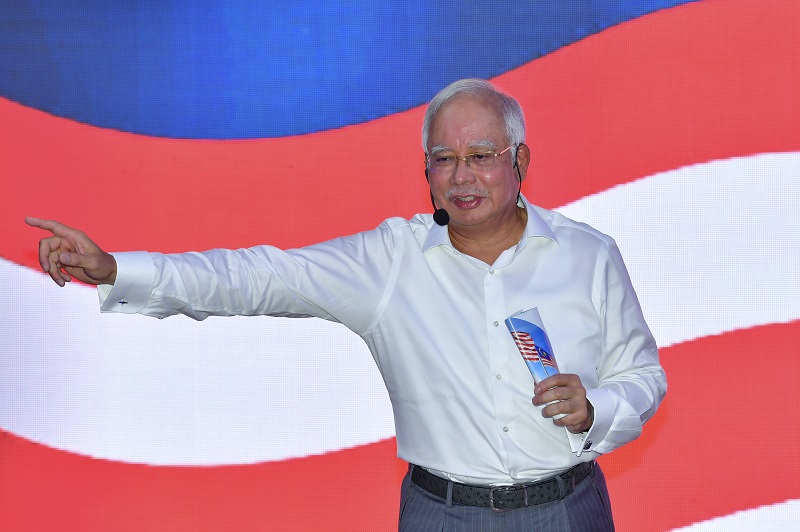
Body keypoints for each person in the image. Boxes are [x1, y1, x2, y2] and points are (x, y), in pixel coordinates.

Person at [27, 78, 666, 531]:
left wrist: (596, 409)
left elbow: (645, 379)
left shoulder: (589, 255)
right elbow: (257, 277)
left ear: (520, 160)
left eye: (481, 157)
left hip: (568, 512)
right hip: (441, 516)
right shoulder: (390, 262)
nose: (463, 176)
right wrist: (117, 269)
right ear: (426, 172)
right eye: (444, 159)